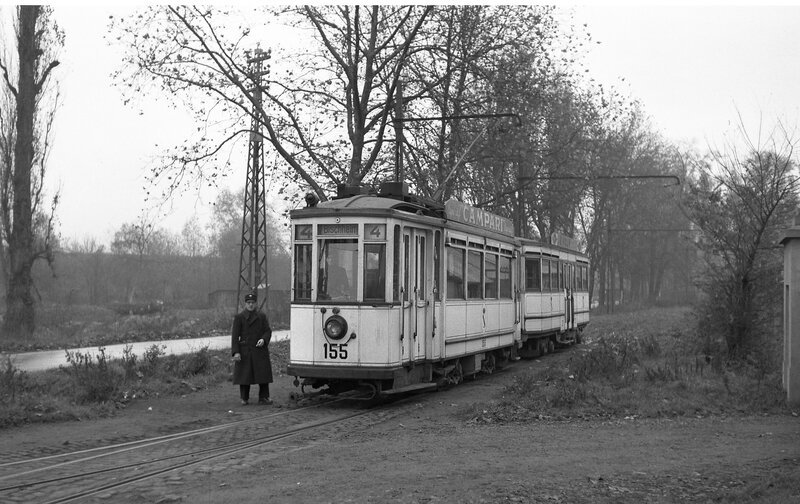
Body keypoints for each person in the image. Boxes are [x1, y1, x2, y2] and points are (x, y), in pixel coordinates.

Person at [231, 292, 273, 405]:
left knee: (263, 375)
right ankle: (244, 398)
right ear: (245, 304)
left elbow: (267, 331)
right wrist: (236, 352)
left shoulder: (261, 316)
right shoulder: (239, 318)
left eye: (253, 303)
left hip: (260, 350)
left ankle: (264, 397)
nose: (250, 305)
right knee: (245, 376)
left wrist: (263, 339)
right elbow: (235, 337)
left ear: (256, 303)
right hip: (245, 351)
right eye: (248, 302)